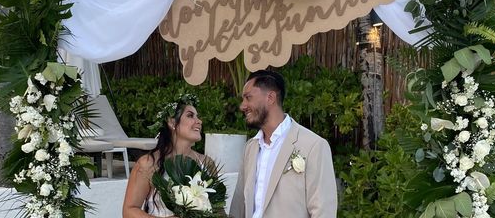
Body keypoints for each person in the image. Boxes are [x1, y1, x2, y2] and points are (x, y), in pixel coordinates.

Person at [229, 70, 337, 218]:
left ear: (271, 97)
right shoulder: (250, 147)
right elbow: (239, 207)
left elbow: (323, 211)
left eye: (248, 98)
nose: (243, 106)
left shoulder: (314, 146)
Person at [122, 93, 212, 218]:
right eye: (190, 116)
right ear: (172, 122)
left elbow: (217, 207)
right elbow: (129, 211)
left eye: (198, 116)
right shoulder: (148, 163)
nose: (199, 121)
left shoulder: (207, 163)